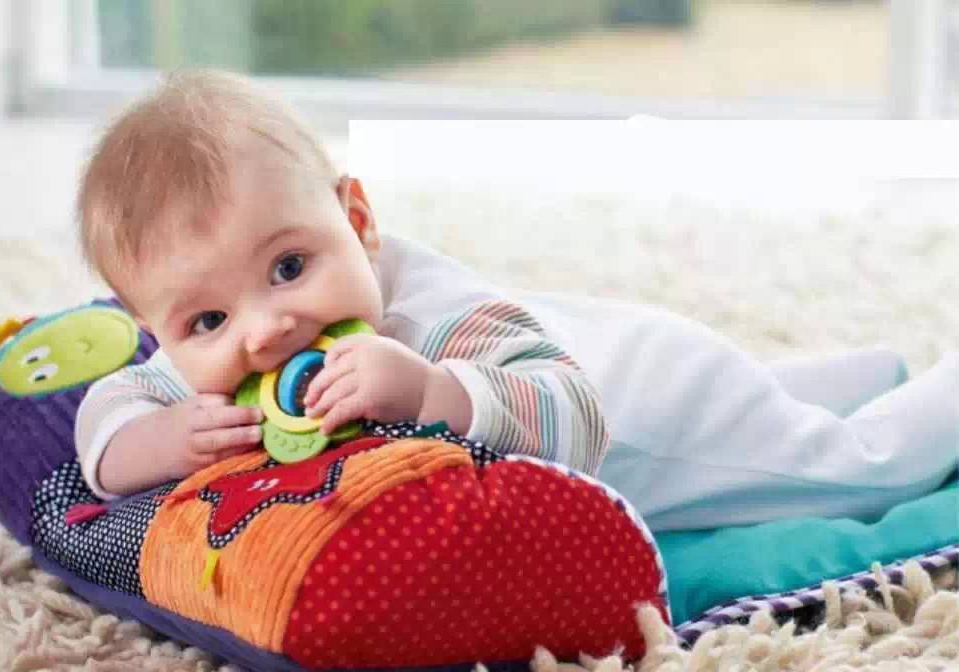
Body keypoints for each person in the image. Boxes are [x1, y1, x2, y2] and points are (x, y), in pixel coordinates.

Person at [74, 70, 959, 533]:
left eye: (290, 266)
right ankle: (855, 373)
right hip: (619, 348)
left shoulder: (436, 313)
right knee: (778, 397)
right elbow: (107, 413)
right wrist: (154, 443)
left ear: (357, 220)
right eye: (207, 322)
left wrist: (430, 394)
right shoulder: (192, 373)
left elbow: (571, 409)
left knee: (852, 469)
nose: (268, 331)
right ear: (155, 327)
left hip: (651, 413)